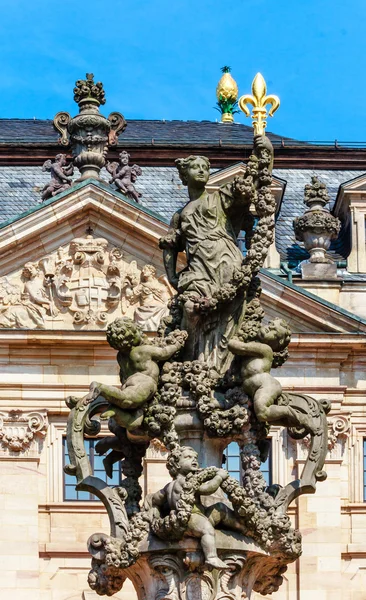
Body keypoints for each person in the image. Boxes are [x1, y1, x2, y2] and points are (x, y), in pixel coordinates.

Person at [145, 445, 247, 570]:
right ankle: (211, 557)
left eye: (195, 457)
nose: (194, 460)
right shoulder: (186, 482)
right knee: (207, 530)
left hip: (197, 515)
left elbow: (155, 499)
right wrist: (219, 477)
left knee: (220, 508)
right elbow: (207, 489)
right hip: (189, 518)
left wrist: (152, 507)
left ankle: (242, 528)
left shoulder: (167, 487)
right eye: (188, 457)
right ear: (176, 465)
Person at [87, 318, 187, 431]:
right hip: (144, 383)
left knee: (134, 423)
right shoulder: (143, 350)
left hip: (129, 384)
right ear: (133, 337)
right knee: (127, 399)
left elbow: (122, 375)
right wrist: (177, 345)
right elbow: (164, 353)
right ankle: (101, 388)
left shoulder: (120, 356)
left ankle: (116, 411)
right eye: (137, 332)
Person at [228, 318, 304, 427]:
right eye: (270, 324)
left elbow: (239, 347)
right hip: (257, 387)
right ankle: (285, 418)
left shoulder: (265, 349)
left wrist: (235, 336)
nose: (269, 329)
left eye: (274, 331)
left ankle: (288, 411)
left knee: (262, 412)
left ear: (278, 342)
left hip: (266, 386)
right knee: (263, 416)